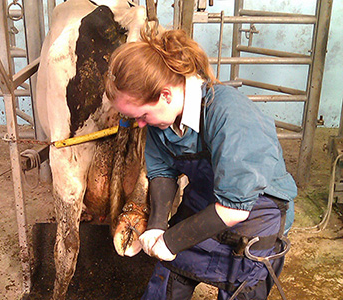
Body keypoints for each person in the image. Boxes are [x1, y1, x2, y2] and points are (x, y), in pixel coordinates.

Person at [104, 26, 297, 300]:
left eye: (143, 115)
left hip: (255, 211)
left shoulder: (231, 117)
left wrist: (172, 240)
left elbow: (234, 209)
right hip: (205, 201)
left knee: (243, 283)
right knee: (167, 275)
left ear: (166, 95)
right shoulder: (163, 121)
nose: (141, 124)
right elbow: (162, 171)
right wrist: (158, 224)